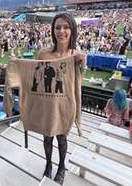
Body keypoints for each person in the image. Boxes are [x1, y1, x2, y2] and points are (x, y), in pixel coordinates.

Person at [37, 13, 86, 185]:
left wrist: (83, 65)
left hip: (66, 106)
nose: (62, 31)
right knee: (47, 138)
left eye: (66, 27)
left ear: (72, 30)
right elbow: (36, 78)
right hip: (47, 105)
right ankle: (49, 164)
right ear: (53, 30)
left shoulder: (76, 55)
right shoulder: (43, 54)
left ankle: (62, 167)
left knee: (62, 139)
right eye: (58, 27)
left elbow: (78, 81)